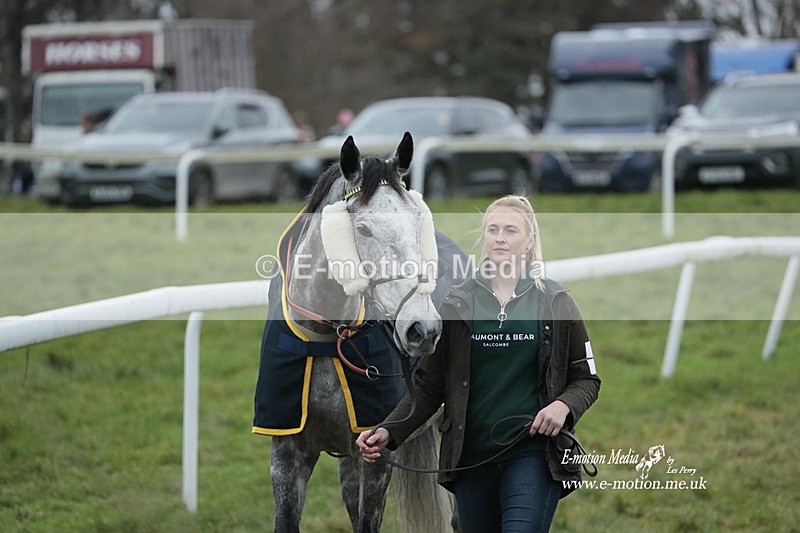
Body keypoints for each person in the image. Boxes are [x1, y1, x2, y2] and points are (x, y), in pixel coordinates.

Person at [356, 195, 601, 532]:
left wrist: (562, 406)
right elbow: (429, 388)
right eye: (493, 229)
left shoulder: (557, 303)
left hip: (532, 454)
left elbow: (586, 379)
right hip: (470, 458)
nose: (500, 237)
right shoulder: (457, 305)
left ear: (530, 241)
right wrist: (389, 430)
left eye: (510, 230)